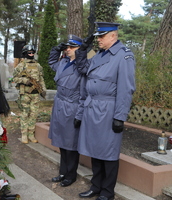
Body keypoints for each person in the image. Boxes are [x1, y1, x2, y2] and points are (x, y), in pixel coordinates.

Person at [76, 22, 136, 200]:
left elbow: (126, 88)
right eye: (97, 37)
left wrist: (120, 116)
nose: (98, 40)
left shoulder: (124, 56)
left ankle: (107, 192)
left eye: (102, 36)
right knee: (96, 150)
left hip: (109, 110)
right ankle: (96, 186)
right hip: (93, 108)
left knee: (109, 153)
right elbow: (83, 69)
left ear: (113, 36)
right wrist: (82, 51)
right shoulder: (99, 55)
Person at [48, 35, 87, 187]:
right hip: (59, 105)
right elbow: (51, 62)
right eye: (66, 47)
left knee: (71, 145)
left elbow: (84, 93)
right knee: (61, 142)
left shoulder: (82, 66)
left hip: (72, 106)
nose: (68, 49)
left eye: (72, 47)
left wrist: (80, 114)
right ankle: (63, 172)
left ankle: (71, 175)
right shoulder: (63, 62)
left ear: (79, 49)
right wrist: (56, 49)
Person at [13, 45, 46, 144]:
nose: (31, 54)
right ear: (25, 53)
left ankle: (31, 134)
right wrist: (24, 80)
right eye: (29, 52)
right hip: (25, 94)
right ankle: (24, 134)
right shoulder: (21, 66)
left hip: (35, 94)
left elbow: (41, 79)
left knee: (34, 114)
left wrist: (43, 89)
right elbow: (15, 78)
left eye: (32, 52)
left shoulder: (38, 65)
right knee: (25, 114)